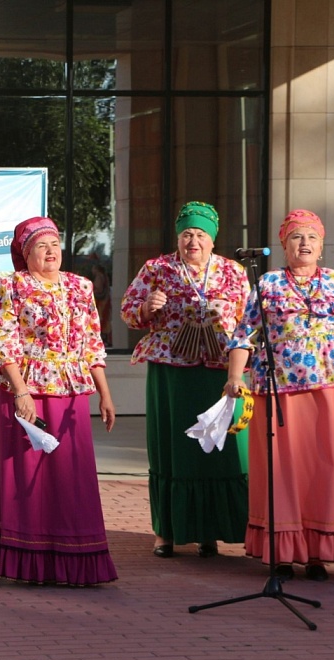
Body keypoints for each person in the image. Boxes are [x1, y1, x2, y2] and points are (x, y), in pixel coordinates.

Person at [0, 216, 117, 586]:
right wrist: (20, 391)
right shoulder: (13, 285)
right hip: (26, 389)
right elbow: (3, 340)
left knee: (71, 476)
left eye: (54, 244)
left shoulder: (80, 286)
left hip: (70, 391)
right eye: (41, 246)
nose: (50, 251)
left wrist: (104, 393)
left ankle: (72, 554)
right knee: (28, 477)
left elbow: (91, 341)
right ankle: (29, 557)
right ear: (26, 253)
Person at [225, 209, 334, 581]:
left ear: (322, 246)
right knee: (284, 471)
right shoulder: (267, 284)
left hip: (331, 388)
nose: (304, 244)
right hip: (279, 390)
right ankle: (285, 553)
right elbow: (243, 335)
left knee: (326, 468)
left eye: (312, 238)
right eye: (296, 237)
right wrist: (235, 377)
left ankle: (318, 552)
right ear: (284, 245)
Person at [120, 201, 250, 559]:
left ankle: (208, 531)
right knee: (173, 448)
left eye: (201, 235)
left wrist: (239, 369)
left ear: (213, 240)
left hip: (218, 371)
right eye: (187, 234)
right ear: (178, 238)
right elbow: (129, 311)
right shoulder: (157, 268)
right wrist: (148, 307)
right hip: (171, 371)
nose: (193, 241)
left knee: (216, 449)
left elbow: (248, 321)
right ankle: (167, 531)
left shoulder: (233, 271)